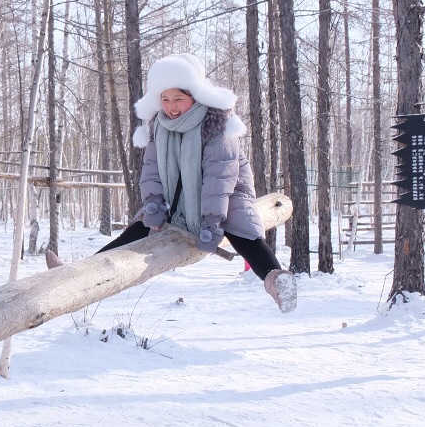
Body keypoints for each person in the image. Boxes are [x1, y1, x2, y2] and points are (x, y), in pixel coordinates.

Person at [99, 53, 296, 313]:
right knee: (139, 225)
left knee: (241, 227)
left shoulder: (217, 125)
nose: (171, 106)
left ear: (195, 95)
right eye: (165, 99)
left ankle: (276, 280)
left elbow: (220, 177)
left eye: (178, 99)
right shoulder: (160, 126)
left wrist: (211, 223)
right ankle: (81, 270)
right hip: (180, 195)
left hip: (227, 192)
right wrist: (154, 206)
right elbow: (151, 172)